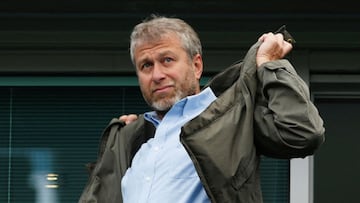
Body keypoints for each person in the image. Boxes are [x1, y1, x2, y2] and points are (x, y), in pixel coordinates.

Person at [78, 14, 325, 203]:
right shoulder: (137, 139)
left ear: (196, 66)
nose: (157, 75)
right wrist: (128, 137)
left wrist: (270, 66)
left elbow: (301, 133)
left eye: (167, 60)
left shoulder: (230, 118)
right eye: (146, 66)